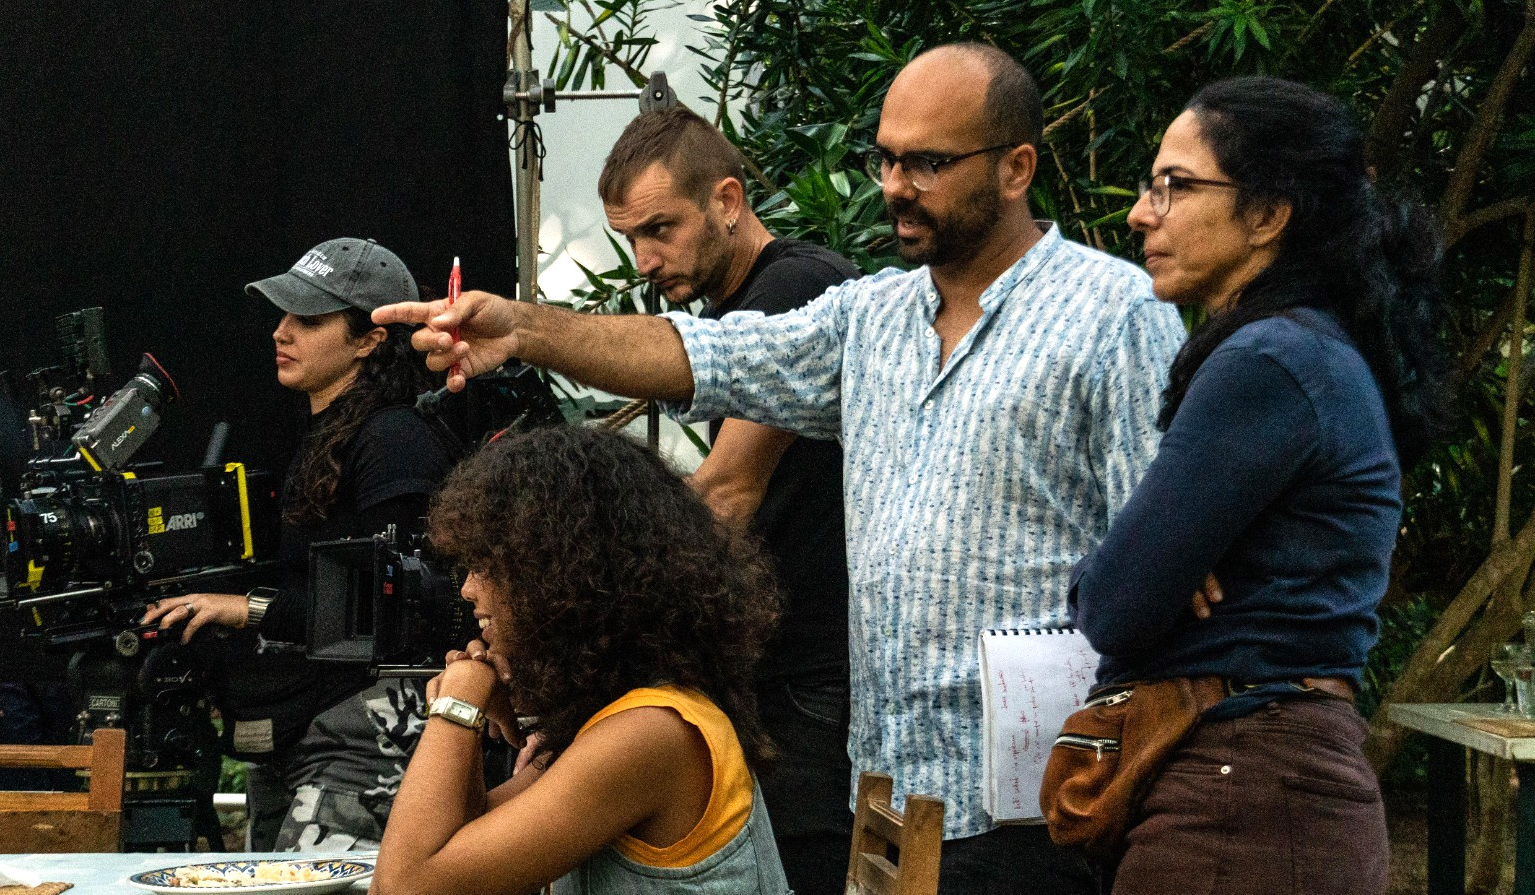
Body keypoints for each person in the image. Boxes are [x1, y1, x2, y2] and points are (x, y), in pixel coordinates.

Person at [380, 43, 1185, 895]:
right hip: (883, 801)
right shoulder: (871, 313)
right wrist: (524, 329)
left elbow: (1168, 564)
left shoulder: (1114, 314)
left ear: (1018, 166)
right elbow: (706, 353)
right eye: (885, 158)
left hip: (1038, 809)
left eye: (928, 162)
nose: (895, 184)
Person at [1069, 77, 1451, 894]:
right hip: (1266, 787)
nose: (1142, 212)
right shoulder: (1307, 349)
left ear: (1269, 214)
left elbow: (1115, 604)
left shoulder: (1268, 361)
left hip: (1244, 798)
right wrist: (1161, 559)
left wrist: (1138, 566)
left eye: (1175, 185)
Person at [597, 105, 859, 895]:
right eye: (630, 240)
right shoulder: (734, 307)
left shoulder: (795, 286)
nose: (644, 259)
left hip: (815, 675)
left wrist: (595, 610)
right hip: (787, 670)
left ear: (727, 200)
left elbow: (730, 490)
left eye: (659, 229)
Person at [374, 425, 788, 895]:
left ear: (560, 578)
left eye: (487, 565)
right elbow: (470, 841)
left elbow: (403, 887)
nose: (468, 589)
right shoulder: (611, 716)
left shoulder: (651, 730)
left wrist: (456, 704)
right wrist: (478, 716)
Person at [144, 238, 457, 851]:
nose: (281, 332)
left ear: (370, 338)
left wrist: (244, 606)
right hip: (297, 729)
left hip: (365, 732)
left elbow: (389, 608)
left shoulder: (395, 439)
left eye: (308, 320)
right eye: (282, 315)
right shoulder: (326, 434)